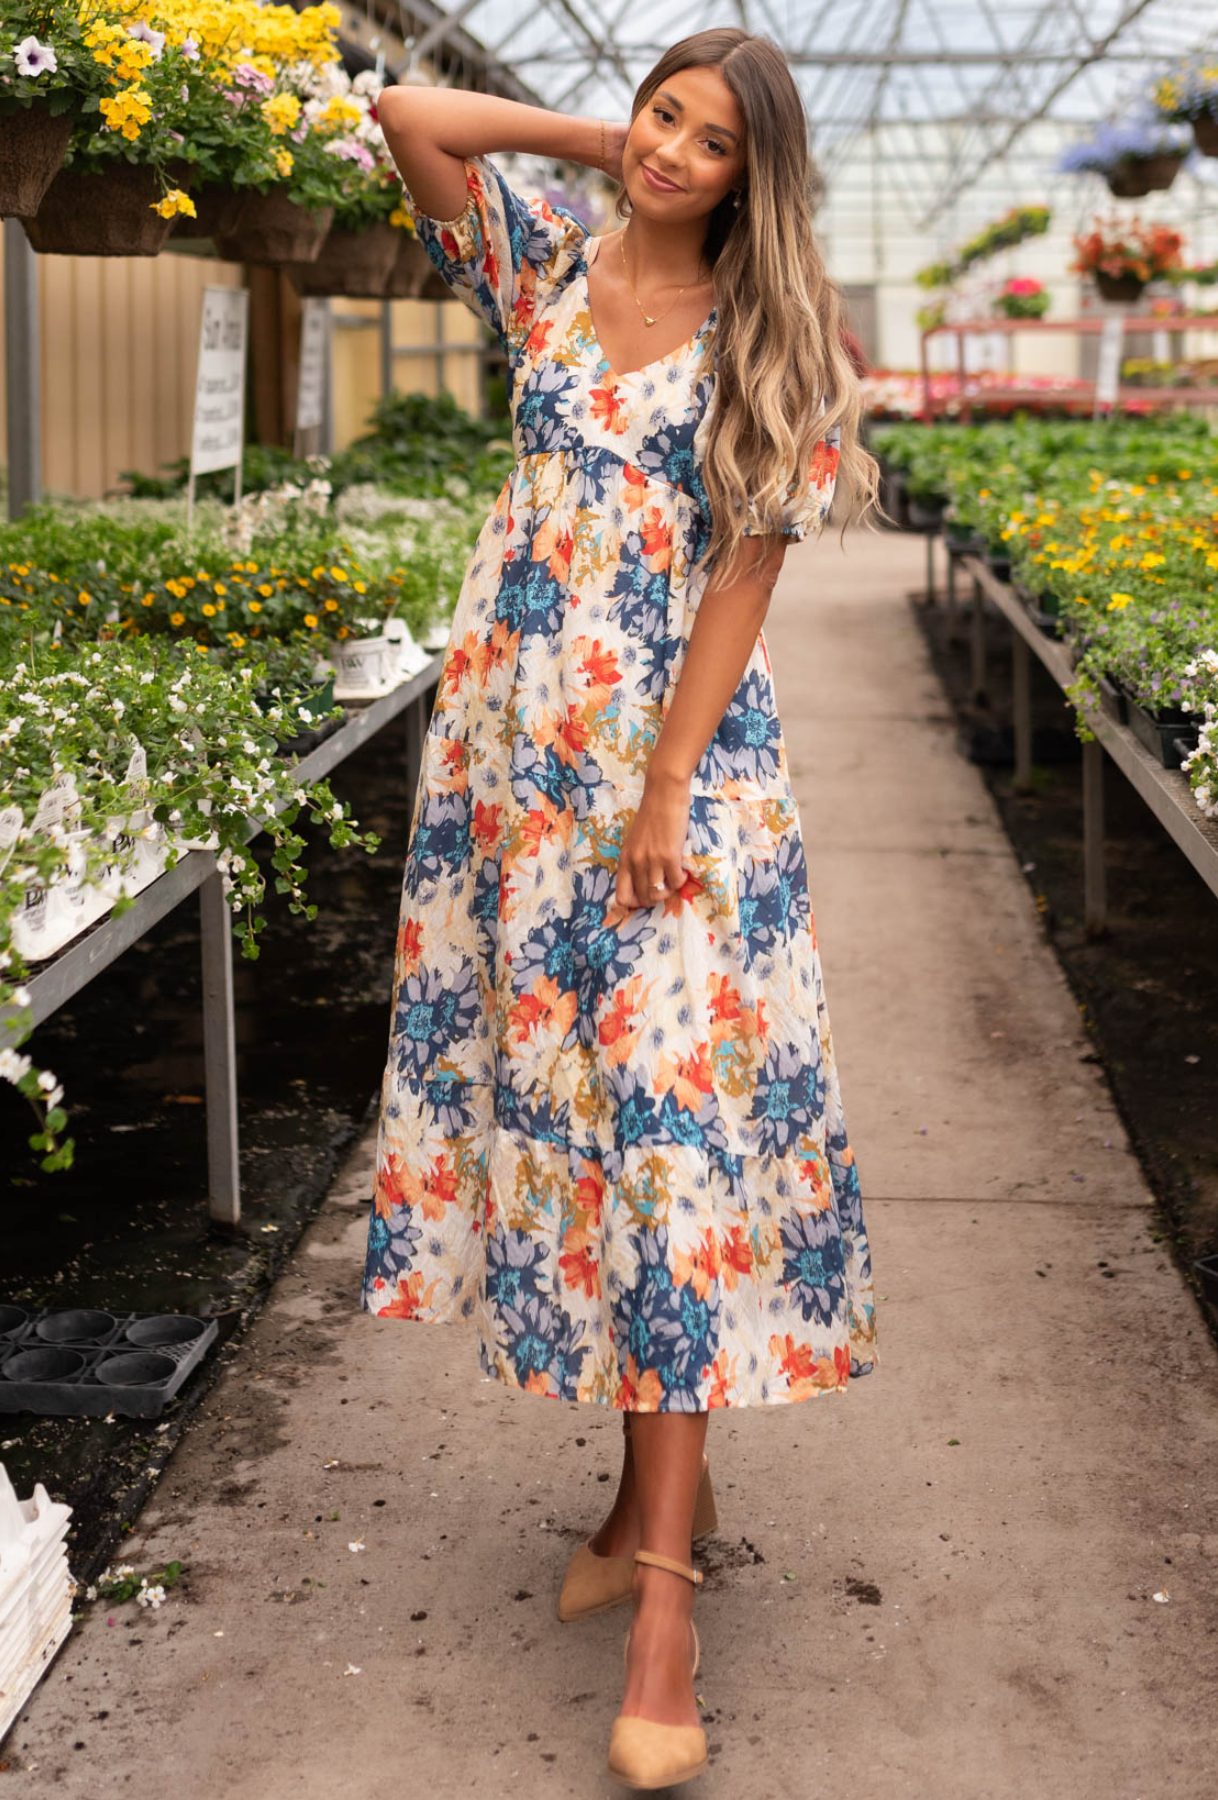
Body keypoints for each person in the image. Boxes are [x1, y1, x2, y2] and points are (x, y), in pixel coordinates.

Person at [360, 26, 880, 1790]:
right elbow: (406, 110)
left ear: (760, 176)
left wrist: (663, 786)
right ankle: (643, 1502)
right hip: (515, 770)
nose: (672, 152)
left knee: (673, 1153)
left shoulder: (772, 334)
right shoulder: (546, 271)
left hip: (680, 789)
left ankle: (664, 1602)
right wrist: (611, 142)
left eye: (713, 142)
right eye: (667, 114)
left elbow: (746, 568)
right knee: (586, 1140)